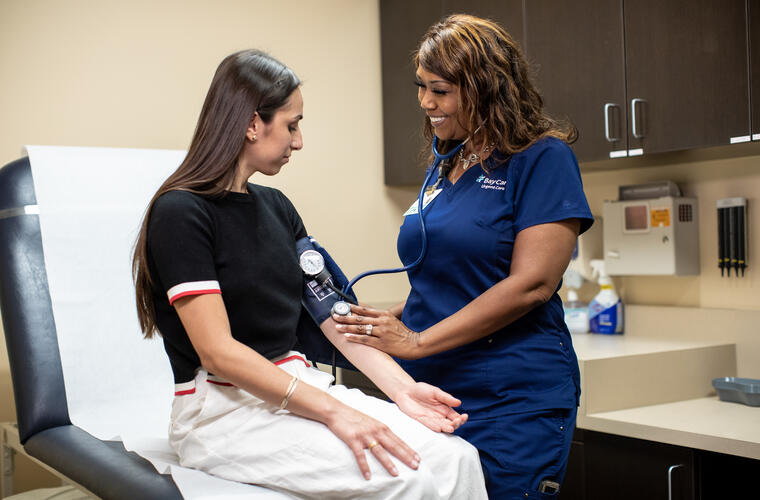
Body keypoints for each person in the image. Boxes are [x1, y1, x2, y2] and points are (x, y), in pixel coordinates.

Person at [131, 49, 487, 499]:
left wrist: (404, 390)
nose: (298, 141)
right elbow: (218, 353)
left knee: (457, 457)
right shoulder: (181, 213)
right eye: (292, 125)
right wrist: (335, 412)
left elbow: (333, 317)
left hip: (298, 388)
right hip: (223, 413)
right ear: (251, 123)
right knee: (404, 479)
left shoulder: (278, 208)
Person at [333, 14, 594, 500]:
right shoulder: (446, 161)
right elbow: (451, 279)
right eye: (422, 87)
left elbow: (532, 284)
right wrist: (382, 322)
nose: (426, 103)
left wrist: (414, 341)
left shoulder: (542, 159)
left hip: (510, 398)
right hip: (431, 392)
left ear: (487, 89)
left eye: (441, 90)